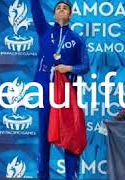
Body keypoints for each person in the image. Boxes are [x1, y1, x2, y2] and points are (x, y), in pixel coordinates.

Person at [30, 0, 89, 179]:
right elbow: (36, 10)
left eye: (65, 8)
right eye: (58, 8)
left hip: (66, 94)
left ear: (70, 15)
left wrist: (69, 68)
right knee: (44, 139)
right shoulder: (45, 31)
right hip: (45, 91)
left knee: (70, 136)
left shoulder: (77, 39)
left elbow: (85, 66)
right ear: (54, 15)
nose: (62, 10)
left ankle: (71, 177)